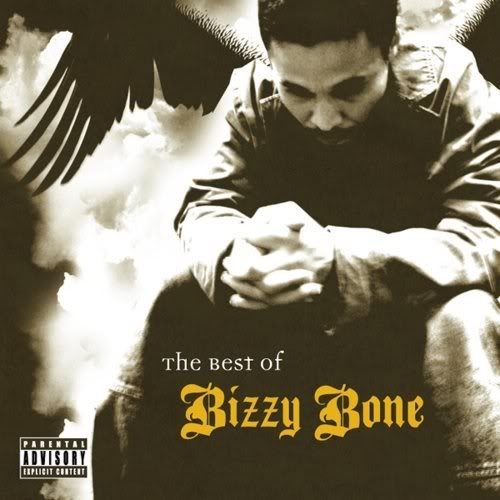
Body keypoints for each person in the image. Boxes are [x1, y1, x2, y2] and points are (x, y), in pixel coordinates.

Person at [93, 1, 500, 498]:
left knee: (466, 316)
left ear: (391, 45)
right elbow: (207, 205)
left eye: (350, 89)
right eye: (297, 92)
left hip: (418, 317)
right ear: (271, 60)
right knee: (169, 292)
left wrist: (338, 260)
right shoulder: (253, 88)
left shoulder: (455, 87)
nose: (324, 119)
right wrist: (234, 256)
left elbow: (489, 232)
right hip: (290, 324)